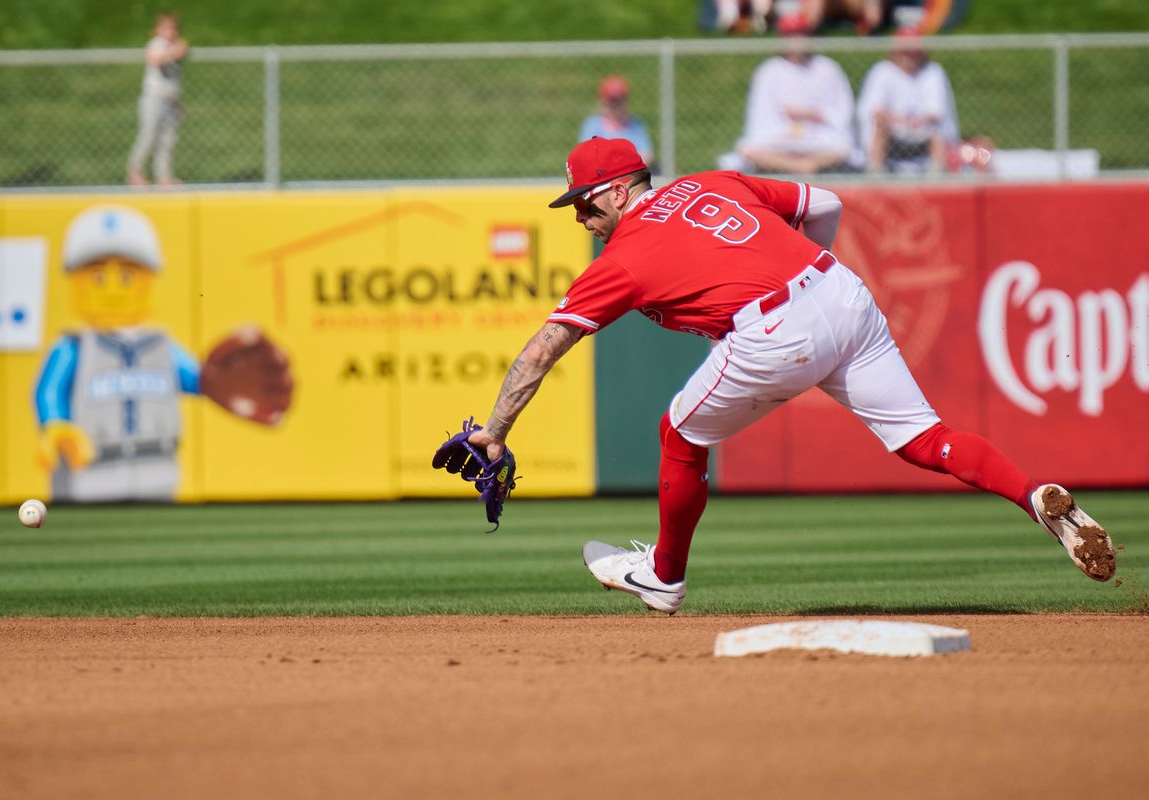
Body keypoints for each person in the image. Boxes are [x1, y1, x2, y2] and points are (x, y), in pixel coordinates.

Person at [464, 136, 1117, 613]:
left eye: (582, 204)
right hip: (840, 291)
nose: (580, 218)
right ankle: (1036, 498)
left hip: (777, 330)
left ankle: (663, 578)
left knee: (678, 433)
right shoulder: (716, 181)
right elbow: (824, 201)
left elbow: (540, 351)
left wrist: (495, 430)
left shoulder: (626, 256)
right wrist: (809, 277)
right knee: (925, 439)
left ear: (614, 190)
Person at [34, 205, 293, 502]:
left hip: (157, 466)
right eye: (98, 277)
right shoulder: (73, 346)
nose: (114, 289)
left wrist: (215, 382)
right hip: (89, 468)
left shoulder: (159, 347)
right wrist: (54, 424)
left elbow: (196, 379)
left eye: (128, 275)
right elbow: (49, 392)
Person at [726, 14, 857, 174]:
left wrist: (814, 115)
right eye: (792, 35)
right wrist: (786, 129)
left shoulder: (828, 68)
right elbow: (759, 120)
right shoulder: (769, 71)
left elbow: (843, 113)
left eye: (801, 34)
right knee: (748, 149)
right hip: (779, 139)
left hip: (819, 137)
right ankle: (803, 168)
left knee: (843, 148)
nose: (797, 41)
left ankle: (802, 167)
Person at [857, 29, 959, 174]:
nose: (909, 57)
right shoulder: (882, 71)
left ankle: (937, 175)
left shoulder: (933, 72)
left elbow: (936, 111)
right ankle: (875, 173)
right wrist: (898, 121)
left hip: (923, 131)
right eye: (905, 52)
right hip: (893, 131)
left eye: (913, 52)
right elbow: (875, 109)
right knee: (880, 126)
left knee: (938, 130)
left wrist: (917, 122)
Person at [127, 12, 188, 187]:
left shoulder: (177, 45)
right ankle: (135, 172)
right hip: (154, 98)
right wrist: (173, 53)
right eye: (166, 28)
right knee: (149, 136)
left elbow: (182, 48)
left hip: (171, 100)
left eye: (174, 28)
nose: (171, 32)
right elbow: (154, 59)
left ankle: (164, 176)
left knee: (168, 140)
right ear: (157, 30)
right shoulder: (157, 44)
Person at [578, 75, 654, 169]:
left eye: (618, 101)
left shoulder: (635, 124)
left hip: (631, 174)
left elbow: (647, 156)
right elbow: (585, 157)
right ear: (602, 101)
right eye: (611, 101)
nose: (615, 106)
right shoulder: (592, 125)